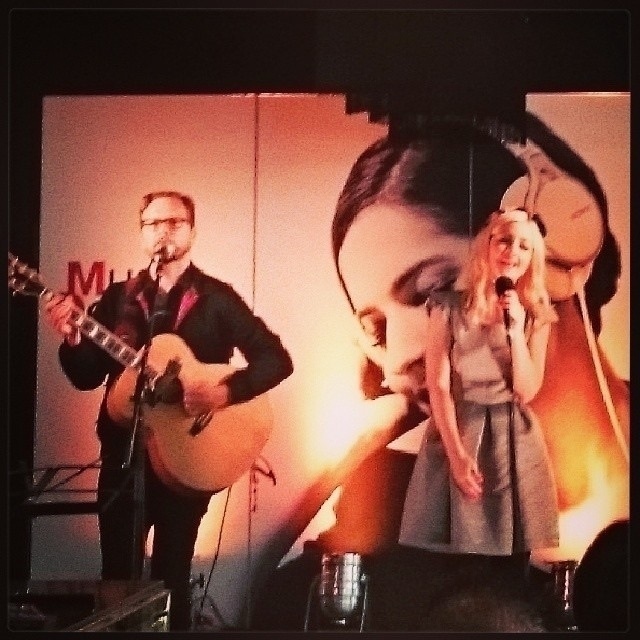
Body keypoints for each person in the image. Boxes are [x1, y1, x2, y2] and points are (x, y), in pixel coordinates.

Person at [43, 190, 294, 631]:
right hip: (124, 459)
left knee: (172, 577)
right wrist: (73, 338)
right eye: (154, 223)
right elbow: (86, 376)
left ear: (192, 232)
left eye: (175, 222)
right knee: (117, 580)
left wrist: (223, 393)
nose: (164, 231)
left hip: (189, 460)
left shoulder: (217, 299)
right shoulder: (118, 297)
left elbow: (277, 360)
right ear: (142, 234)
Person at [399, 207, 559, 570]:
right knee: (455, 563)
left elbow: (526, 391)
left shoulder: (536, 315)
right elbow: (438, 385)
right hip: (459, 431)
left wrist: (515, 331)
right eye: (505, 241)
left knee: (511, 566)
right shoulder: (447, 307)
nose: (512, 252)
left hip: (514, 441)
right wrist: (456, 456)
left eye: (524, 246)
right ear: (488, 245)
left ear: (532, 259)